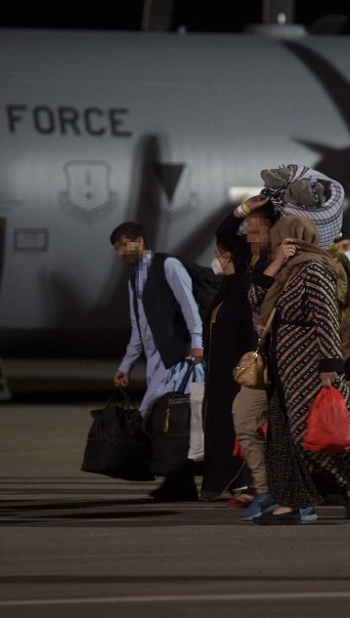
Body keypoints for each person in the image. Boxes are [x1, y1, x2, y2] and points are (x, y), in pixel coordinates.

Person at [248, 216, 350, 524]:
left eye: (280, 237)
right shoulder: (286, 271)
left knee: (319, 434)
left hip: (311, 366)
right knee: (285, 437)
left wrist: (330, 365)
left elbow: (326, 318)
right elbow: (255, 299)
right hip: (284, 367)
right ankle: (290, 505)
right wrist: (275, 263)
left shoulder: (315, 269)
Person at [110, 222, 203, 502]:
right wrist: (126, 365)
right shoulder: (133, 279)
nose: (120, 253)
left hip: (181, 358)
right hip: (156, 362)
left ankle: (181, 481)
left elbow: (189, 305)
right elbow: (137, 328)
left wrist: (197, 342)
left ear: (139, 241)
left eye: (123, 245)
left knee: (172, 421)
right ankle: (178, 482)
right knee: (165, 423)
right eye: (116, 249)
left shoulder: (168, 265)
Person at [216, 196, 280, 517]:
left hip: (283, 357)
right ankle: (264, 490)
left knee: (287, 432)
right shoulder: (247, 258)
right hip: (259, 360)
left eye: (257, 231)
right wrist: (243, 209)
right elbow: (224, 234)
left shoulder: (283, 258)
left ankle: (302, 493)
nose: (250, 237)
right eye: (248, 230)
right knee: (244, 421)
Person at [199, 238, 256, 502]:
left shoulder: (243, 288)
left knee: (234, 425)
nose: (215, 261)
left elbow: (248, 334)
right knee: (218, 424)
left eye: (218, 255)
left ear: (228, 257)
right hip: (219, 374)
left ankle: (241, 483)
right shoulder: (229, 286)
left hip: (235, 374)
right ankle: (226, 482)